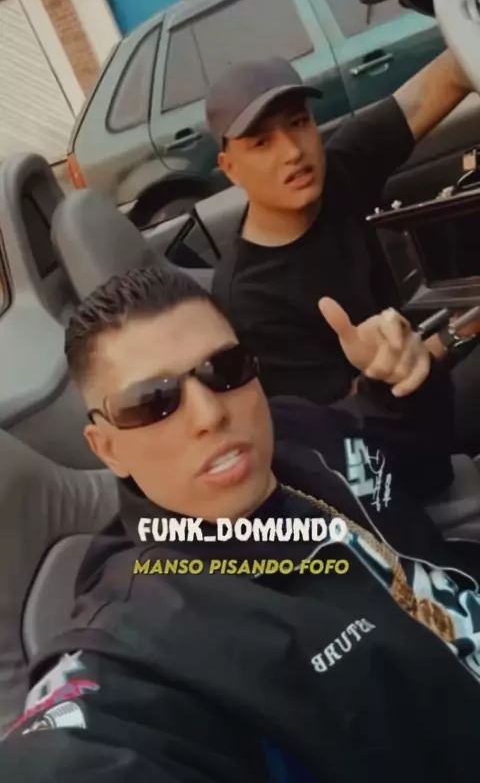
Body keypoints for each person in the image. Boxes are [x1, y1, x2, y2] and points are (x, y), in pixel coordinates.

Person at [3, 265, 480, 782]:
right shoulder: (148, 626)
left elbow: (409, 458)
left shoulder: (296, 428)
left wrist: (402, 380)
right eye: (153, 402)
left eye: (224, 368)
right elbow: (81, 743)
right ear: (107, 448)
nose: (210, 414)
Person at [208, 54, 480, 452]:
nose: (292, 152)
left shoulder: (334, 173)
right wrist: (463, 328)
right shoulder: (250, 300)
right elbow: (350, 418)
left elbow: (445, 78)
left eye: (298, 123)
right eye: (262, 143)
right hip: (401, 434)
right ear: (230, 167)